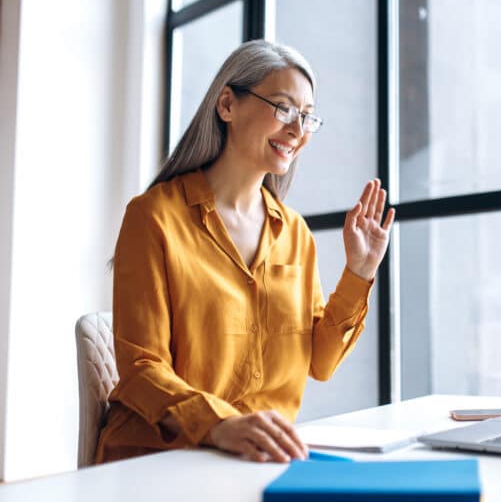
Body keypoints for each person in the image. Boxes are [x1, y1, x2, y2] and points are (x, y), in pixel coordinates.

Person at [95, 39, 395, 464]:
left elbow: (321, 363)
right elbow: (142, 368)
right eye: (284, 108)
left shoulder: (294, 233)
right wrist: (219, 424)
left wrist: (359, 272)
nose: (297, 130)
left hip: (254, 461)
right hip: (158, 458)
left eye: (308, 118)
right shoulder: (154, 217)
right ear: (227, 106)